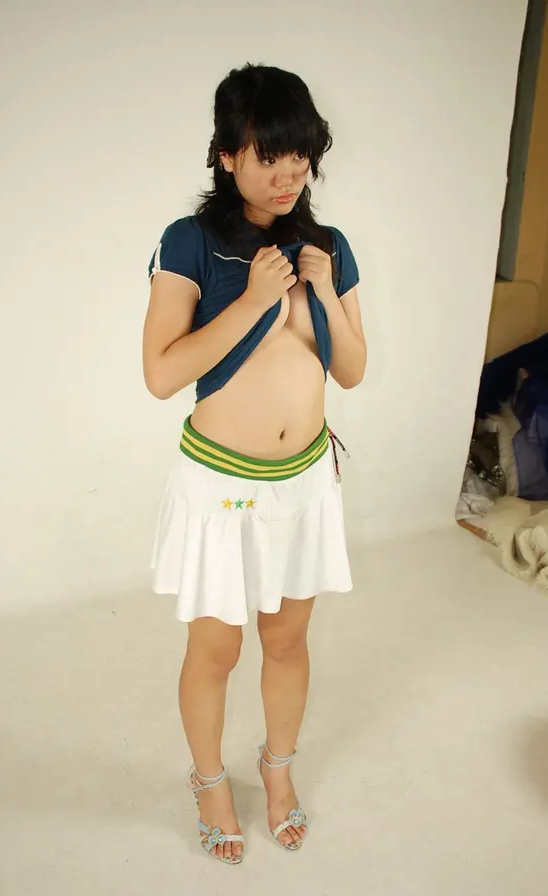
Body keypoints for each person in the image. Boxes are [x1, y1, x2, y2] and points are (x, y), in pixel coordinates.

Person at [142, 63, 366, 865]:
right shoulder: (191, 242)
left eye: (299, 154)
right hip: (221, 489)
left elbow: (351, 371)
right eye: (267, 155)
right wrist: (251, 303)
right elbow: (161, 374)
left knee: (288, 641)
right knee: (216, 650)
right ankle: (210, 783)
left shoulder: (327, 248)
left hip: (302, 484)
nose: (287, 173)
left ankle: (277, 771)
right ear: (227, 156)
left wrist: (324, 291)